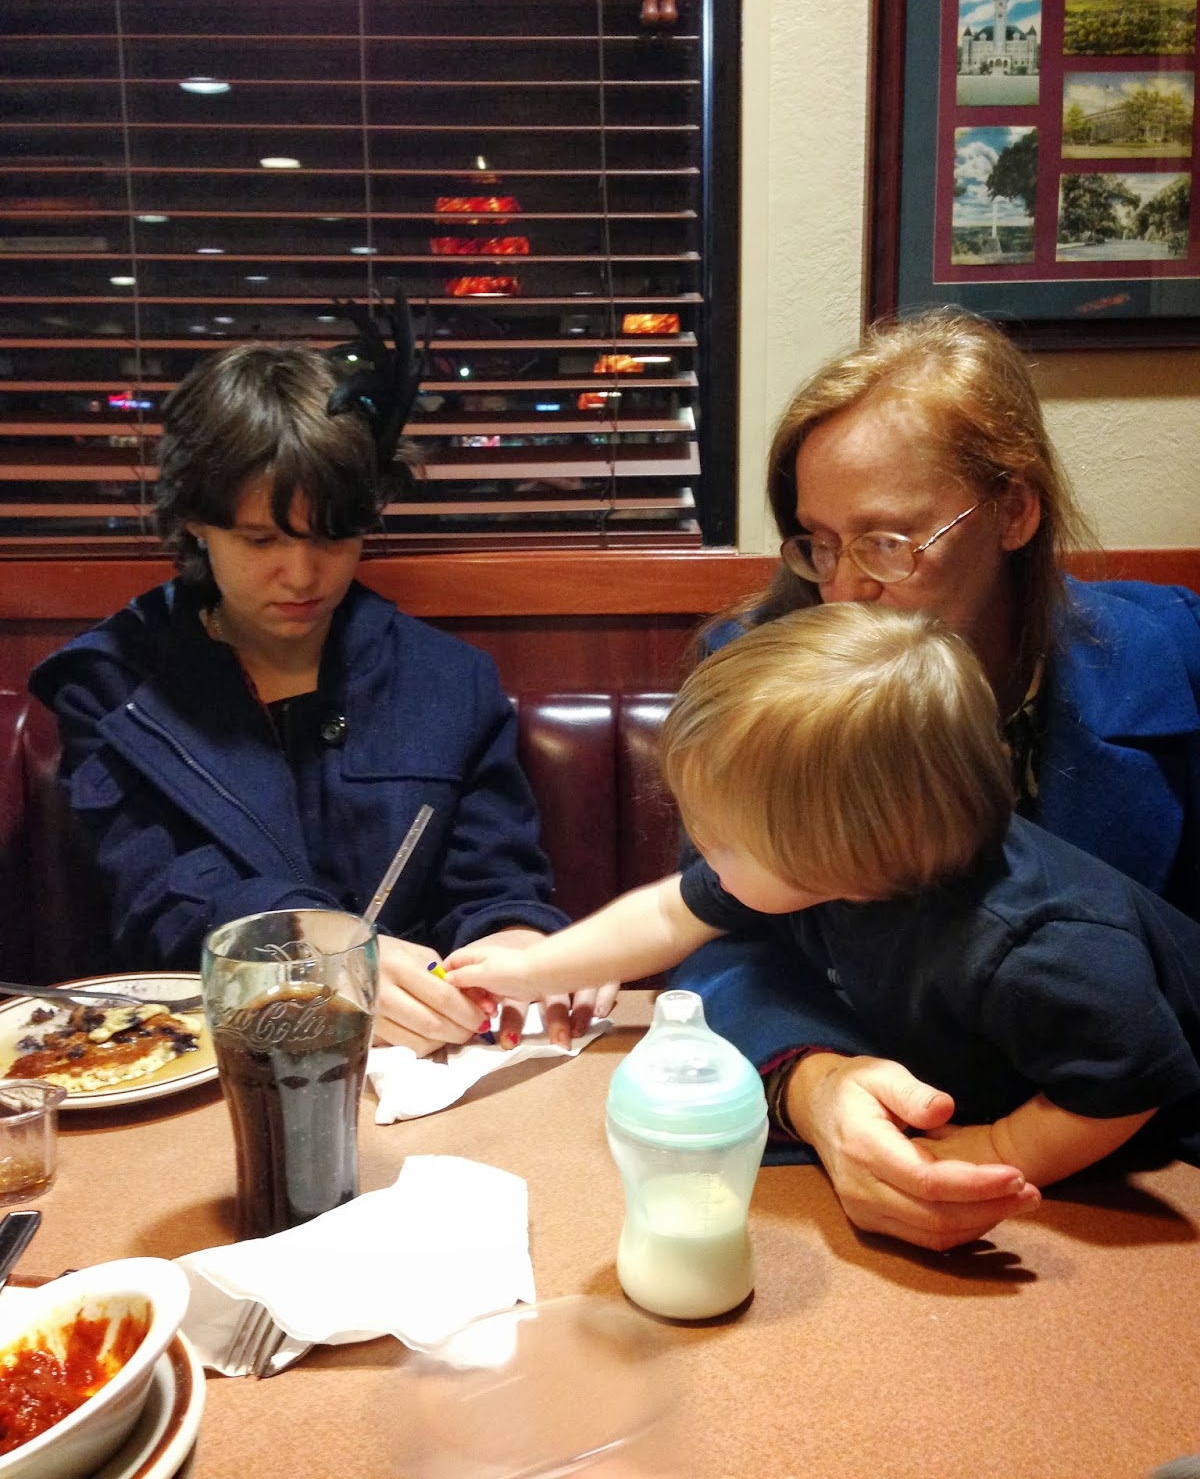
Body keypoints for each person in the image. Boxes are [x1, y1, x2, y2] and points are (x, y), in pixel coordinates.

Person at [672, 308, 1200, 1247]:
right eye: (820, 541)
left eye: (888, 540)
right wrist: (814, 1086)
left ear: (1014, 511)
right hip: (854, 1188)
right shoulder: (754, 674)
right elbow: (723, 928)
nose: (843, 590)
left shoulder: (1175, 656)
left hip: (1147, 1179)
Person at [445, 604, 1200, 1230]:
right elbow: (670, 916)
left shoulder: (1038, 945)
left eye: (722, 838)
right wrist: (533, 968)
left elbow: (1125, 1085)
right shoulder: (825, 872)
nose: (700, 847)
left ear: (851, 851)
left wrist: (997, 1147)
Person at [30, 322, 611, 1053]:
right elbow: (158, 896)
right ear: (196, 524)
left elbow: (493, 880)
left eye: (332, 537)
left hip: (419, 1056)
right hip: (211, 1049)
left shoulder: (447, 679)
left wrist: (517, 941)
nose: (303, 576)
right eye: (262, 540)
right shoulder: (114, 684)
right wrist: (313, 946)